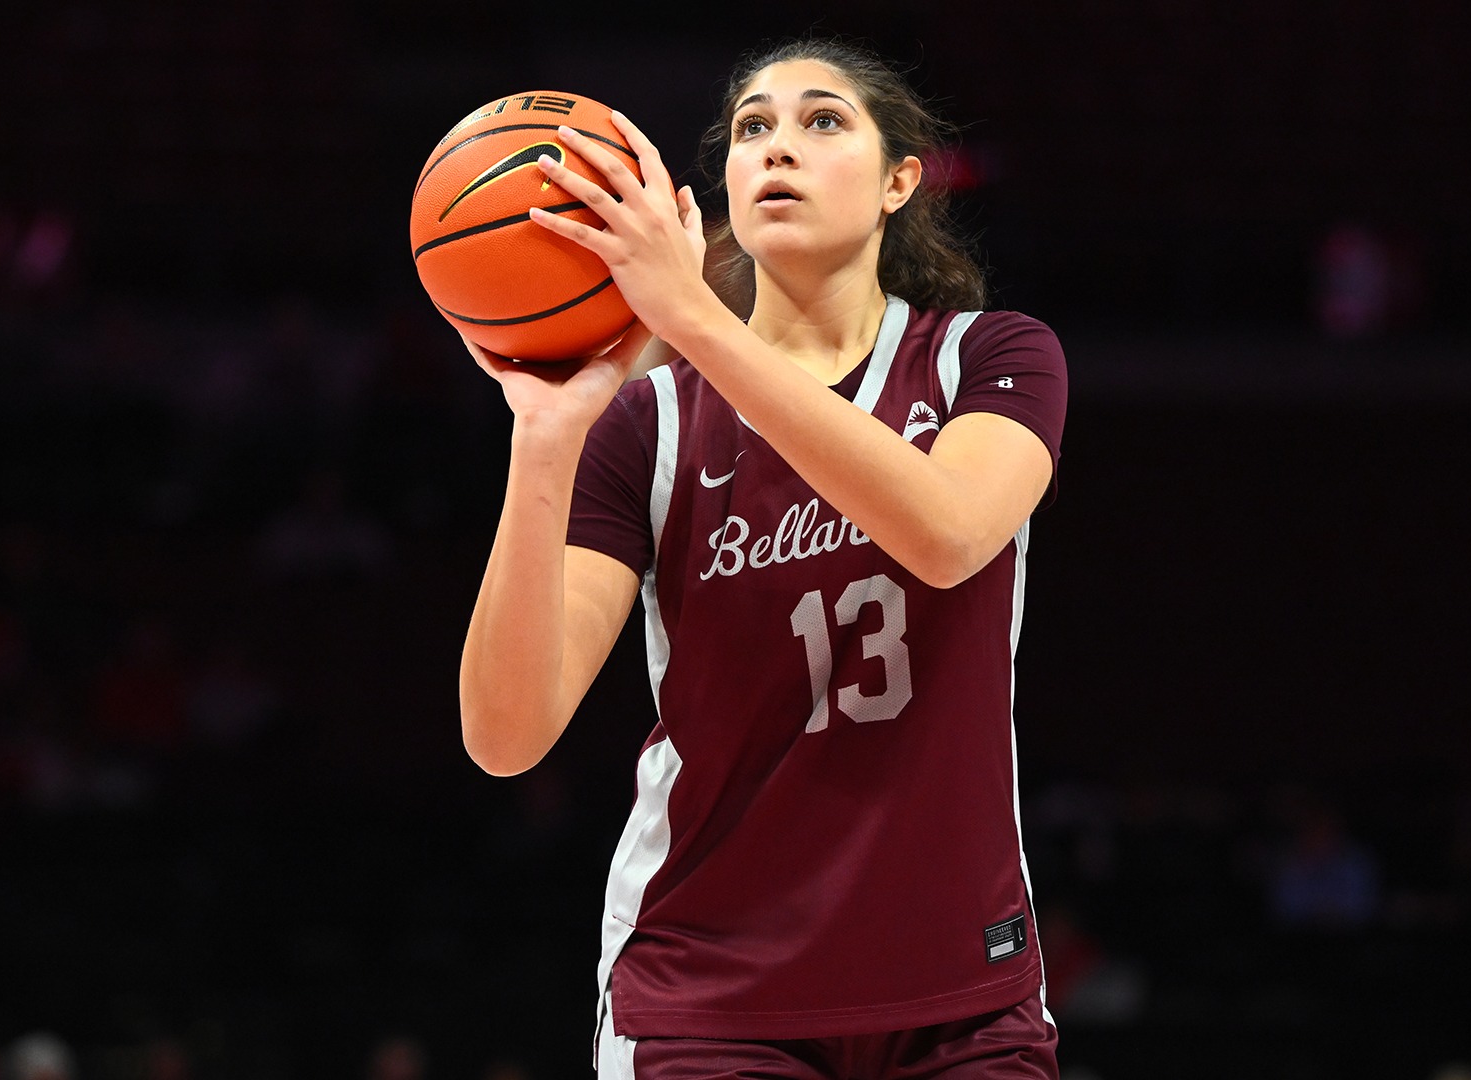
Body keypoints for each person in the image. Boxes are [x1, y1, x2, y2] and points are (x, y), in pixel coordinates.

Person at [456, 35, 1068, 1080]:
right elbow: (506, 736)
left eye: (822, 120)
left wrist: (691, 319)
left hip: (959, 992)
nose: (778, 145)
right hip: (710, 996)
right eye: (752, 128)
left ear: (899, 183)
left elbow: (947, 535)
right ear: (727, 188)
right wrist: (544, 439)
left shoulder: (989, 357)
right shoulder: (648, 426)